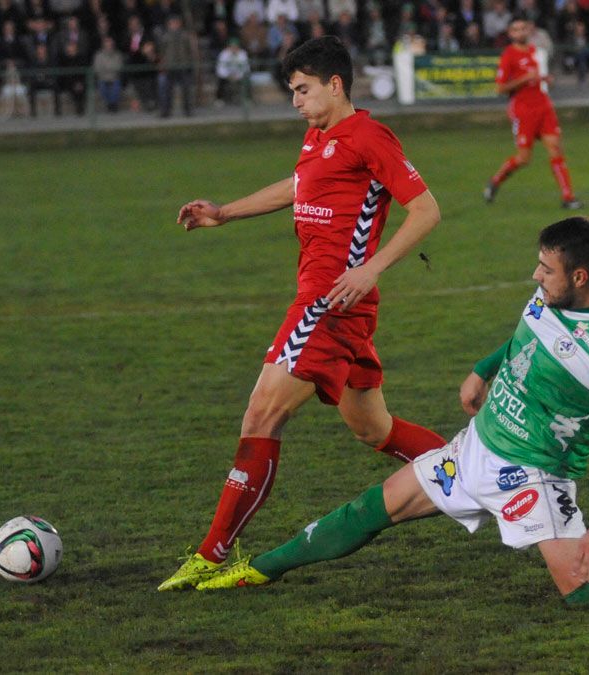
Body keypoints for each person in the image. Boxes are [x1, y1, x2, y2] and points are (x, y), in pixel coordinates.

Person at [192, 217, 589, 602]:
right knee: (371, 509)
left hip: (533, 475)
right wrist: (484, 368)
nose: (536, 275)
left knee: (584, 590)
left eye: (546, 268)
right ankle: (257, 570)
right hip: (476, 446)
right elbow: (526, 338)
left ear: (579, 278)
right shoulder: (548, 297)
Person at [158, 36, 445, 592]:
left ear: (335, 85)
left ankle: (212, 554)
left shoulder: (368, 135)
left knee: (261, 417)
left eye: (302, 89)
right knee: (374, 428)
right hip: (338, 307)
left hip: (328, 304)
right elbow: (298, 187)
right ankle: (493, 473)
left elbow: (426, 209)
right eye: (293, 90)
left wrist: (372, 268)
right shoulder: (318, 138)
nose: (295, 100)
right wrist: (224, 212)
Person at [484, 18, 583, 211]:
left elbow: (533, 79)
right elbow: (500, 88)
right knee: (523, 158)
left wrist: (545, 79)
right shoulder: (508, 55)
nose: (520, 32)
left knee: (555, 147)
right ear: (510, 34)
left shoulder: (533, 51)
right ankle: (495, 181)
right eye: (516, 29)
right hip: (523, 111)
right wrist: (523, 79)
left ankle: (568, 197)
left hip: (543, 106)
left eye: (523, 28)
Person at [157, 14, 195, 117]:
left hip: (183, 66)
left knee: (186, 90)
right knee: (167, 91)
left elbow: (190, 51)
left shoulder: (186, 36)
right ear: (168, 25)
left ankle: (188, 111)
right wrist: (163, 64)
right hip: (170, 66)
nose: (174, 25)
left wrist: (189, 62)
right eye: (172, 23)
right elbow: (161, 51)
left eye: (176, 23)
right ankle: (166, 111)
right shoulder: (165, 37)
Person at [214, 37, 250, 105]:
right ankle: (219, 99)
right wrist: (228, 76)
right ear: (229, 47)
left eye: (235, 47)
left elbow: (246, 68)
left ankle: (247, 99)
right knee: (220, 81)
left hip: (239, 76)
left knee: (247, 80)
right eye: (232, 47)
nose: (234, 49)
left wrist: (238, 76)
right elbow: (220, 69)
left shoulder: (242, 54)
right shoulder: (224, 54)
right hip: (227, 76)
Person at [93, 35, 124, 112]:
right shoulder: (98, 55)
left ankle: (112, 105)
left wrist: (107, 69)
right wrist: (109, 70)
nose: (109, 45)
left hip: (114, 77)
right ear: (103, 45)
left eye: (110, 44)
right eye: (107, 44)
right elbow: (97, 68)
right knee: (102, 87)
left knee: (116, 86)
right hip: (103, 78)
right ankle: (110, 104)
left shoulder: (118, 55)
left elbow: (119, 67)